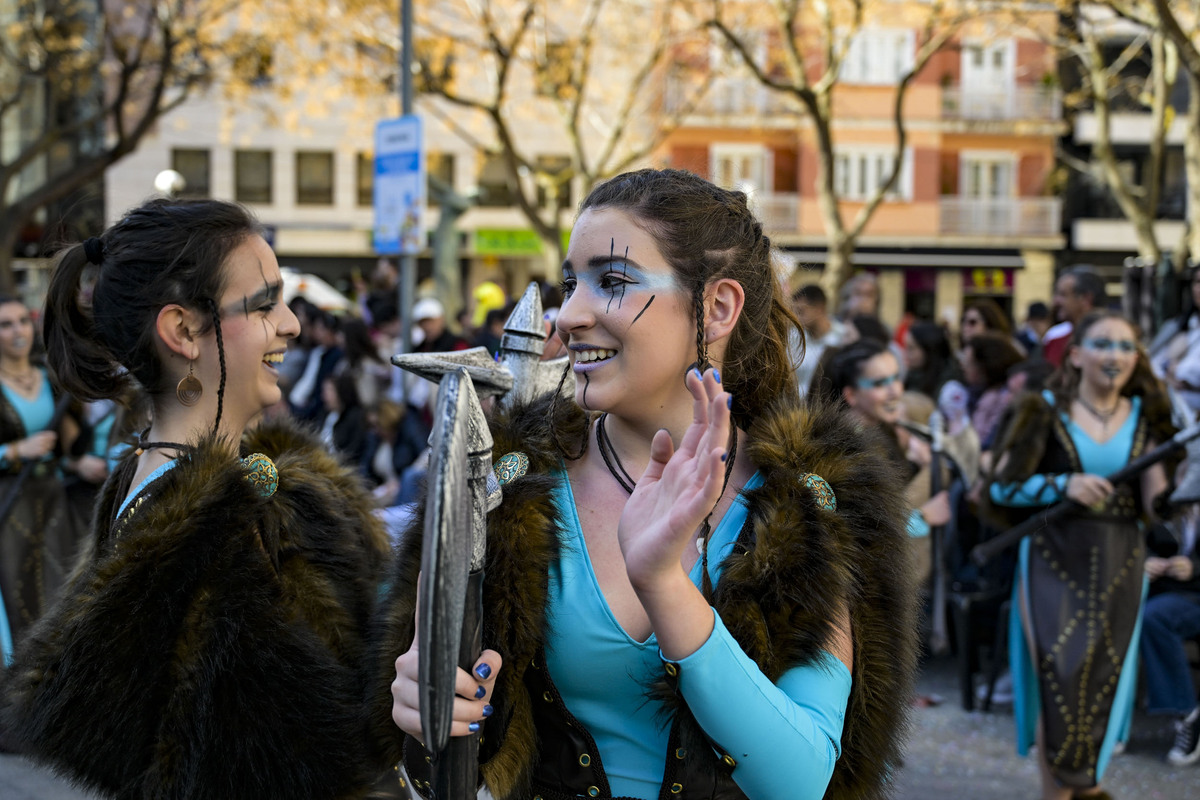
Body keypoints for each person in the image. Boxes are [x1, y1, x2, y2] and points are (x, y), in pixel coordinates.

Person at [370, 169, 917, 800]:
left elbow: (800, 779)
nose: (570, 314)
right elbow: (437, 764)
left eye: (614, 281)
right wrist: (427, 715)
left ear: (716, 309)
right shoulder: (512, 488)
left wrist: (662, 584)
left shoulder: (810, 504)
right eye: (571, 283)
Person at [1, 198, 392, 798]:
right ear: (182, 331)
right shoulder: (206, 524)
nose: (289, 323)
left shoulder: (199, 485)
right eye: (263, 304)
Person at [987, 310, 1175, 800]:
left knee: (1100, 683)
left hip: (1121, 559)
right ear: (1076, 354)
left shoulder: (1148, 417)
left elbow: (1159, 507)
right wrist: (1061, 483)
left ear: (1137, 359)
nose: (1114, 355)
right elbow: (1002, 487)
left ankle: (1085, 789)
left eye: (1125, 347)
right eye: (1102, 344)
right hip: (1052, 556)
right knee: (1058, 680)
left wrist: (1177, 485)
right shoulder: (1041, 409)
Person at [0, 295, 78, 663]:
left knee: (59, 586)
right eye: (5, 324)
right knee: (21, 592)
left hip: (52, 497)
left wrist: (81, 461)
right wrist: (17, 450)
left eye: (22, 321)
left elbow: (69, 442)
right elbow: (27, 446)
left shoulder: (50, 376)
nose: (18, 331)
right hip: (11, 504)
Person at [1141, 496, 1200, 767]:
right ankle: (1107, 725)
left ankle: (1185, 712)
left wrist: (1195, 567)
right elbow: (1140, 541)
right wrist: (1147, 561)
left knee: (1154, 617)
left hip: (1193, 597)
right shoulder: (1167, 506)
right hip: (1167, 593)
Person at [1042, 266, 1106, 367]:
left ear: (1086, 299)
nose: (1056, 301)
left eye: (1063, 295)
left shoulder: (1114, 338)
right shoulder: (1054, 336)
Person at [790, 284, 846, 397]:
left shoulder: (842, 337)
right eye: (794, 312)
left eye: (801, 312)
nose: (796, 318)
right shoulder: (792, 337)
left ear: (819, 309)